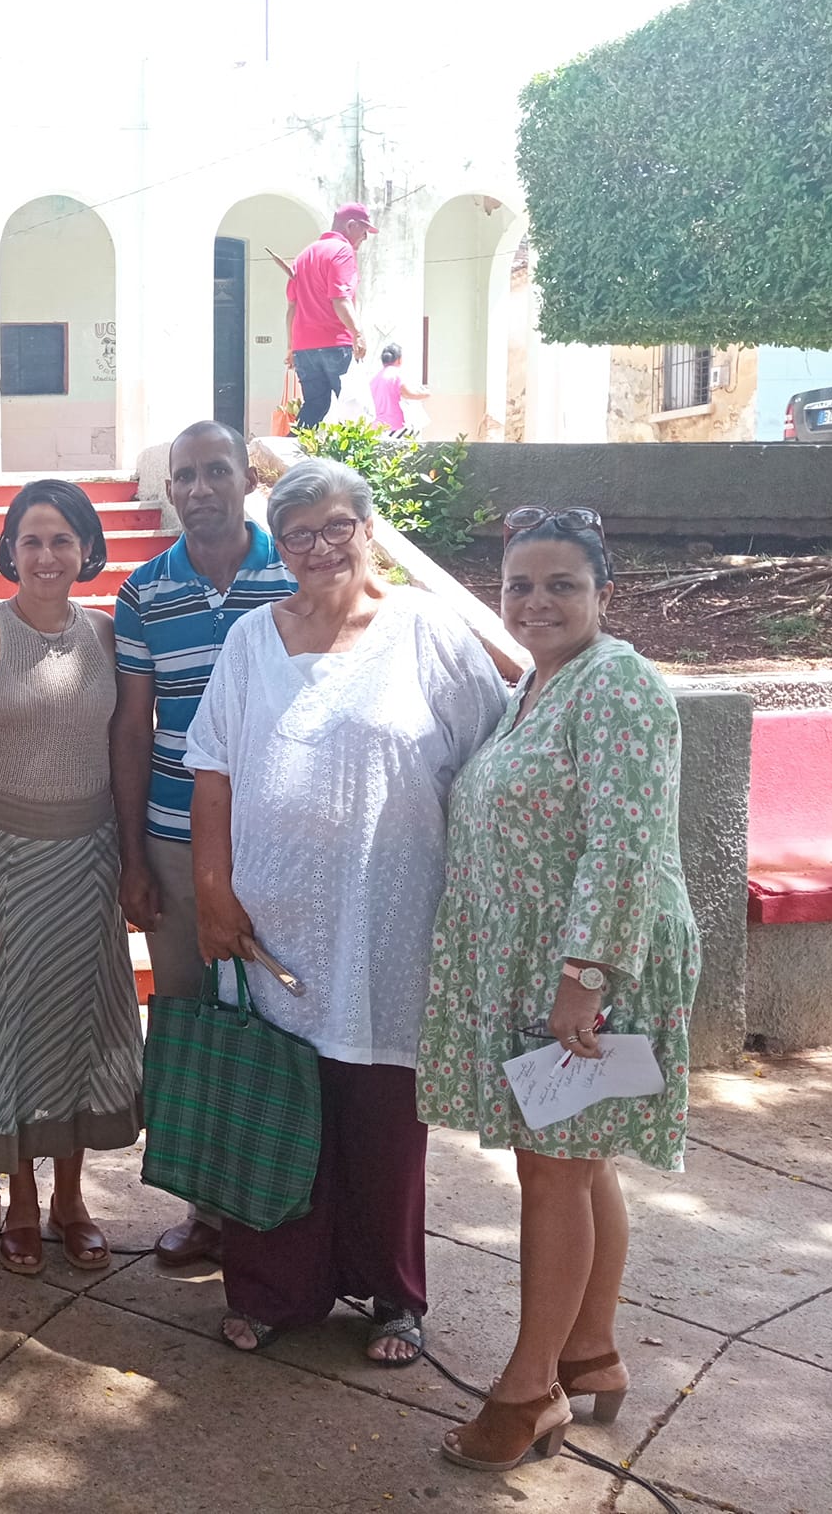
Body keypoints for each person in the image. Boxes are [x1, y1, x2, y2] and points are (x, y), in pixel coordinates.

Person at [187, 457, 505, 1361]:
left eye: (338, 527)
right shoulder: (252, 639)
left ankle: (394, 1298)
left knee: (381, 1112)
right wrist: (213, 891)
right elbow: (211, 764)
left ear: (368, 531)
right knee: (278, 1106)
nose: (321, 547)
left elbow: (486, 761)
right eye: (299, 534)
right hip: (272, 921)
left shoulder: (426, 631)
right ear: (277, 547)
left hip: (390, 923)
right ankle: (273, 1288)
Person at [419, 508, 700, 1472]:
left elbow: (623, 847)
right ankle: (589, 1351)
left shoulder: (615, 686)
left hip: (592, 964)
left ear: (603, 595)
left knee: (553, 1171)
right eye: (520, 587)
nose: (536, 602)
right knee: (581, 1162)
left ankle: (529, 1391)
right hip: (556, 959)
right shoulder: (538, 687)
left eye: (561, 585)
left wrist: (584, 980)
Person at [0, 479, 142, 1277]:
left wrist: (127, 862)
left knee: (79, 1031)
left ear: (87, 549)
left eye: (62, 539)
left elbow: (125, 753)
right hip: (1, 862)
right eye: (32, 539)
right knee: (8, 1033)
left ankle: (71, 1200)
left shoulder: (110, 637)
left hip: (86, 862)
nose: (47, 554)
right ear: (10, 550)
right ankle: (20, 1200)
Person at [111, 421, 297, 1270]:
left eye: (214, 472)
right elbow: (131, 727)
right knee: (192, 1023)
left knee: (292, 1022)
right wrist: (132, 857)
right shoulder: (145, 591)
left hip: (290, 845)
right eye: (182, 476)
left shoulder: (296, 571)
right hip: (179, 845)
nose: (196, 490)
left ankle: (294, 1211)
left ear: (247, 479)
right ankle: (209, 1209)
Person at [285, 204, 377, 427]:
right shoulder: (342, 251)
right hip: (335, 344)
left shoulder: (303, 256)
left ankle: (291, 455)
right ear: (351, 225)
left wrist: (291, 347)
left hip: (304, 348)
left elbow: (292, 308)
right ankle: (354, 461)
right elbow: (340, 299)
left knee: (314, 406)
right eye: (364, 230)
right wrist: (358, 333)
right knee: (354, 409)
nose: (365, 238)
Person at [370, 343, 432, 434]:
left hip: (379, 427)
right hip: (398, 427)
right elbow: (408, 394)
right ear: (399, 360)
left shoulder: (375, 378)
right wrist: (426, 394)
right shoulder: (397, 374)